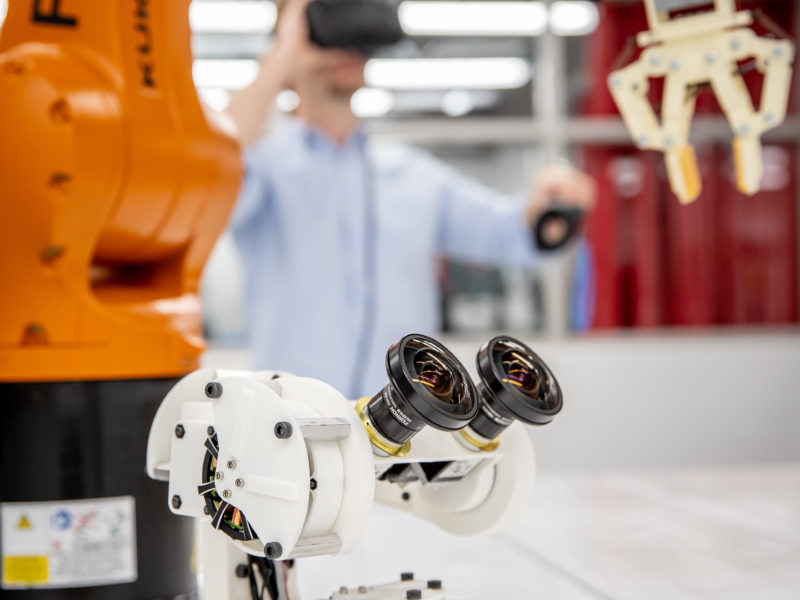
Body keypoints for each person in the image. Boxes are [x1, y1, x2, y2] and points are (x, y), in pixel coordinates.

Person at [226, 0, 596, 397]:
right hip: (291, 424)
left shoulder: (414, 176)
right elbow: (210, 157)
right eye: (324, 25)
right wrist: (285, 48)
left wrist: (552, 202)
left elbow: (511, 234)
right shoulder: (261, 172)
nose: (345, 44)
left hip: (405, 427)